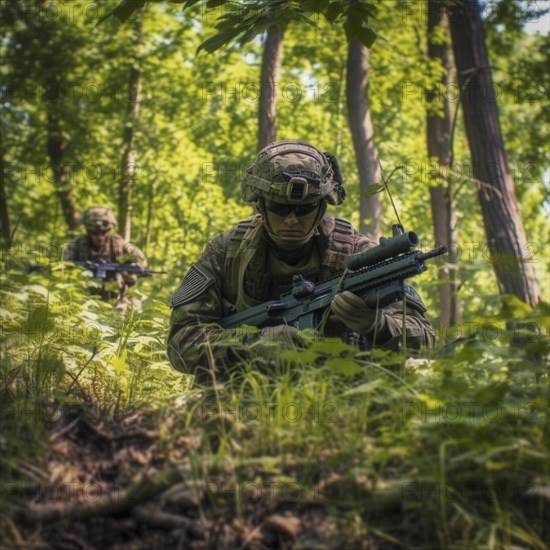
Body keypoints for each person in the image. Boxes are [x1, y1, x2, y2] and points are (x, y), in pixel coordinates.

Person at [168, 140, 435, 382]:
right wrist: (252, 346)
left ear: (321, 206)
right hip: (243, 398)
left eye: (305, 208)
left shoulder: (358, 255)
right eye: (280, 208)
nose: (293, 219)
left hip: (342, 399)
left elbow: (425, 339)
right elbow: (180, 345)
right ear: (260, 204)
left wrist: (378, 326)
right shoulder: (226, 252)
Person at [63, 206, 147, 310]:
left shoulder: (119, 244)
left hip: (118, 299)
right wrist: (81, 271)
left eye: (104, 232)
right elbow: (63, 268)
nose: (100, 237)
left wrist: (127, 273)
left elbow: (141, 261)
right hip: (83, 300)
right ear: (88, 231)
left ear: (109, 230)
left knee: (133, 306)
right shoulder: (77, 245)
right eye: (95, 233)